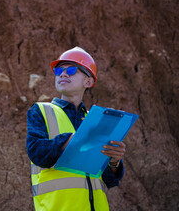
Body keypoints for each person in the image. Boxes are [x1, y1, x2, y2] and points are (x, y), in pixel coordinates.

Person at [26, 47, 126, 211]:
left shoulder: (94, 120)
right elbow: (36, 153)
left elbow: (110, 180)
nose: (63, 74)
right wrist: (71, 139)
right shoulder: (42, 111)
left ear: (88, 81)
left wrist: (114, 161)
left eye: (71, 70)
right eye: (59, 70)